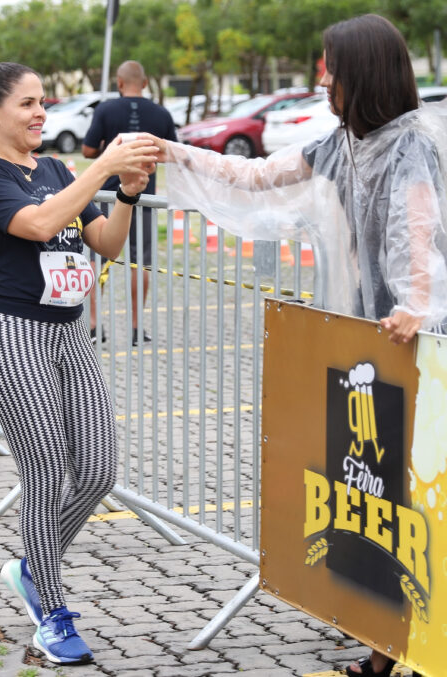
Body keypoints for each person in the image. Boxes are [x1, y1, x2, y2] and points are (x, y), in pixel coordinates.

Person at [149, 14, 447, 676]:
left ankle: (396, 649)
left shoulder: (411, 148)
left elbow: (418, 233)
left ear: (359, 74)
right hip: (369, 351)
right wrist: (170, 151)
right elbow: (255, 178)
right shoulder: (339, 145)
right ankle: (382, 650)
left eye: (330, 67)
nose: (322, 78)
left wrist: (415, 308)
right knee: (379, 503)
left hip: (419, 350)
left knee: (418, 502)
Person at [0, 61, 156, 665]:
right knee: (46, 468)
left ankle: (29, 564)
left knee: (97, 470)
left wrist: (125, 192)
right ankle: (52, 609)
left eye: (43, 101)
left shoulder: (54, 168)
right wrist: (103, 166)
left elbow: (106, 244)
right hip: (13, 335)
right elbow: (42, 223)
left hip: (70, 333)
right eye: (28, 103)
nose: (42, 112)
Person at [82, 60, 178, 346]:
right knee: (141, 263)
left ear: (119, 83)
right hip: (144, 196)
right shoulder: (161, 113)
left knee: (94, 261)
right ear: (145, 83)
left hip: (107, 196)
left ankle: (94, 326)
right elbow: (171, 151)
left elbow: (87, 149)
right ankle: (137, 329)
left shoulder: (106, 109)